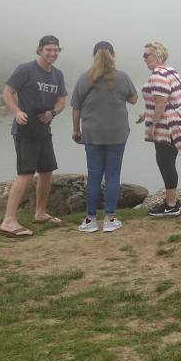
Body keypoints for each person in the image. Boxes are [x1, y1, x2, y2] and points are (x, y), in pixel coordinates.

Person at [0, 35, 67, 237]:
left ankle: (40, 213)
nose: (52, 53)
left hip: (43, 129)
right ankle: (8, 221)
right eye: (48, 49)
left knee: (46, 171)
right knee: (26, 173)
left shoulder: (57, 74)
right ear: (40, 50)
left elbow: (62, 100)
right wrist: (17, 112)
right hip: (25, 128)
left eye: (56, 50)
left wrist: (52, 113)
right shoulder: (25, 69)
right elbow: (7, 92)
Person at [71, 41, 138, 232]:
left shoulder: (84, 78)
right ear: (113, 55)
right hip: (117, 133)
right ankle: (110, 219)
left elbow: (76, 108)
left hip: (92, 134)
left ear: (94, 57)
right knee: (112, 175)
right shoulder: (122, 77)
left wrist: (76, 130)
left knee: (94, 176)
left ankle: (90, 220)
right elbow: (134, 99)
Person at [138, 41, 181, 217]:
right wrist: (146, 114)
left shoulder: (158, 75)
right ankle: (172, 202)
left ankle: (171, 205)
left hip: (167, 127)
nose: (143, 58)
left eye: (146, 55)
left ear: (157, 56)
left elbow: (161, 102)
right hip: (178, 123)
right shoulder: (171, 71)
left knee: (165, 164)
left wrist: (153, 125)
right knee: (168, 163)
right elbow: (170, 99)